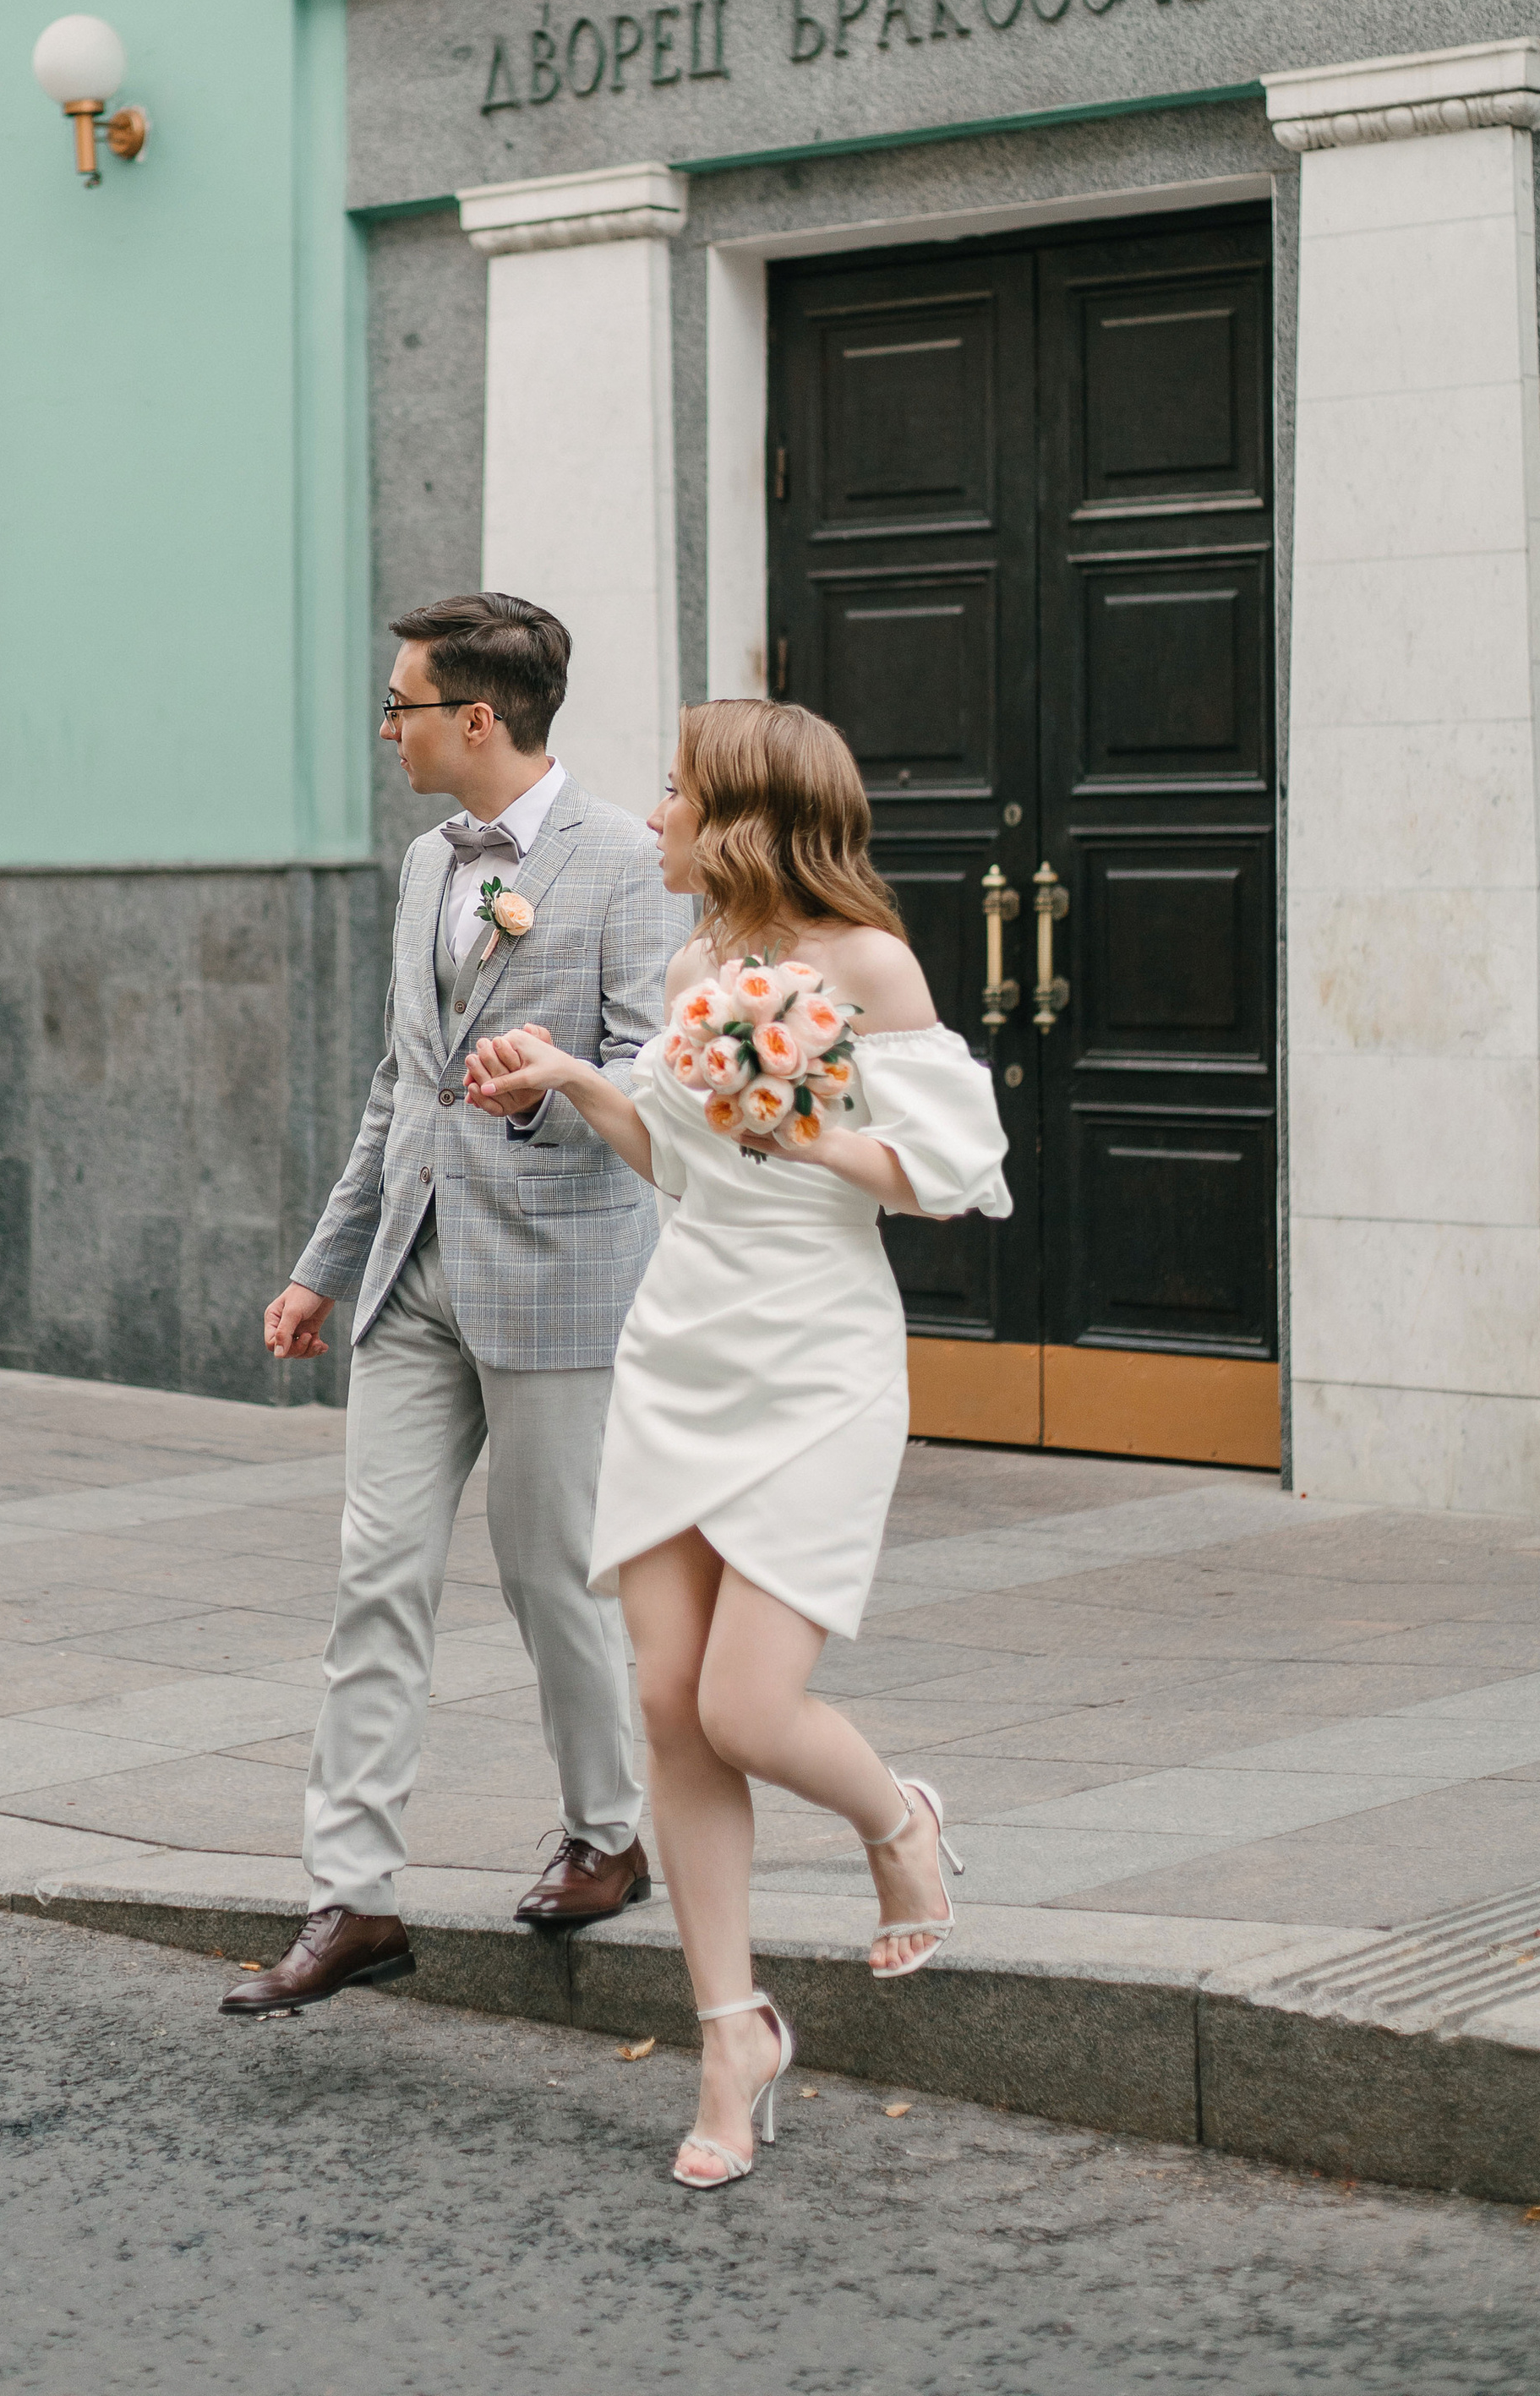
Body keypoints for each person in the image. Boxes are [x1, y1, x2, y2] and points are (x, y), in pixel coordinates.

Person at [465, 699, 1009, 2188]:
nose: (655, 817)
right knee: (669, 1704)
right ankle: (730, 2033)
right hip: (681, 1345)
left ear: (745, 817)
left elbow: (948, 1173)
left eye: (677, 792)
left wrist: (805, 1129)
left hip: (817, 1358)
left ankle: (898, 1820)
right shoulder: (693, 966)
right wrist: (578, 1080)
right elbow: (680, 1165)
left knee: (752, 1708)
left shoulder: (868, 964)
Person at [223, 591, 690, 2021]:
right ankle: (353, 1897)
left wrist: (544, 1088)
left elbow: (652, 1073)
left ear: (477, 719)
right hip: (413, 1272)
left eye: (403, 705)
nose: (388, 729)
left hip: (557, 1274)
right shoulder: (430, 861)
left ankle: (608, 1837)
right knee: (375, 1579)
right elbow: (400, 1081)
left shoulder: (625, 861)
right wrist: (323, 1264)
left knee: (551, 1574)